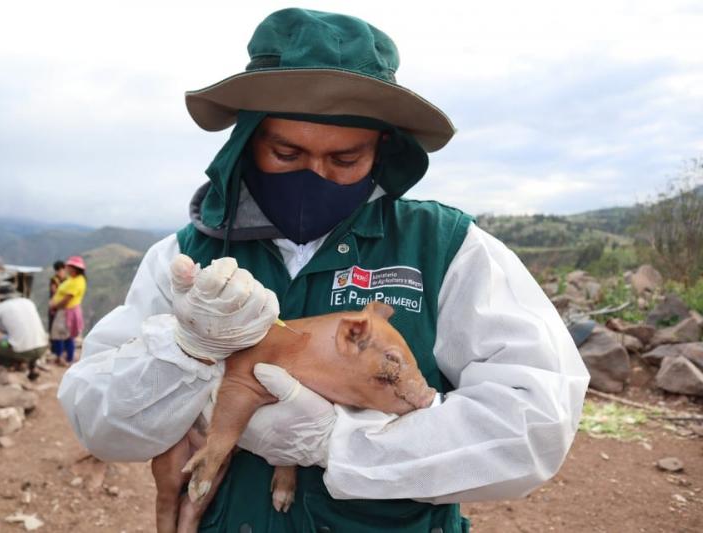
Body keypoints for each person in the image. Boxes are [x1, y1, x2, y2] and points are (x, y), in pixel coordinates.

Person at [58, 8, 590, 532]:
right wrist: (184, 349)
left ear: (382, 149)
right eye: (286, 153)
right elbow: (100, 421)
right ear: (248, 139)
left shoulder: (450, 249)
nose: (314, 176)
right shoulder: (181, 261)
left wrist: (337, 442)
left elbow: (533, 423)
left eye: (344, 160)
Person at [0, 283, 49, 380]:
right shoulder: (28, 302)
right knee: (11, 340)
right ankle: (32, 366)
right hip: (42, 347)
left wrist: (2, 340)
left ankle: (9, 363)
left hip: (22, 352)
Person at [50, 255, 86, 365]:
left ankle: (63, 358)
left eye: (69, 267)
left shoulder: (77, 282)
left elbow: (67, 299)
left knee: (61, 334)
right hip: (65, 310)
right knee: (66, 334)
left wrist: (55, 306)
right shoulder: (72, 279)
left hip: (67, 311)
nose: (67, 268)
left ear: (75, 269)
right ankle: (64, 357)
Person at [48, 260, 67, 334]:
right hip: (55, 305)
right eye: (58, 270)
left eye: (61, 270)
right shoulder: (54, 280)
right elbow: (54, 292)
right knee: (53, 324)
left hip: (64, 305)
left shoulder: (67, 280)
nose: (60, 272)